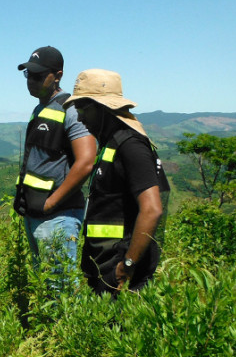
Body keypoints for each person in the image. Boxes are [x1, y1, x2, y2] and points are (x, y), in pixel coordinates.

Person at [63, 69, 168, 295]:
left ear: (103, 109)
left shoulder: (131, 146)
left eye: (83, 108)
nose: (79, 117)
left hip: (119, 270)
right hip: (105, 266)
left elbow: (152, 210)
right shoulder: (111, 144)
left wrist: (127, 265)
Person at [14, 46, 96, 289]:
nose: (31, 80)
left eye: (39, 75)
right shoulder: (40, 109)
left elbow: (86, 162)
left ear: (57, 75)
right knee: (44, 287)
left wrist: (51, 203)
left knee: (60, 289)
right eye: (28, 74)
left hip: (58, 218)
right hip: (36, 214)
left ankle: (68, 329)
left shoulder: (71, 110)